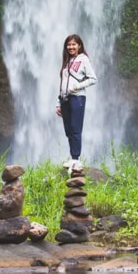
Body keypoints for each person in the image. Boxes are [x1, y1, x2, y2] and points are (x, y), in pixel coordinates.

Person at [55, 34, 97, 171]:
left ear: (79, 45)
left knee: (75, 128)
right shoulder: (67, 61)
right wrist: (58, 102)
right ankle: (73, 158)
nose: (71, 47)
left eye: (73, 44)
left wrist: (77, 87)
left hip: (77, 97)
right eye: (68, 44)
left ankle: (76, 159)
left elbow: (93, 79)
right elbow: (62, 83)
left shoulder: (84, 60)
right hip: (65, 99)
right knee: (68, 130)